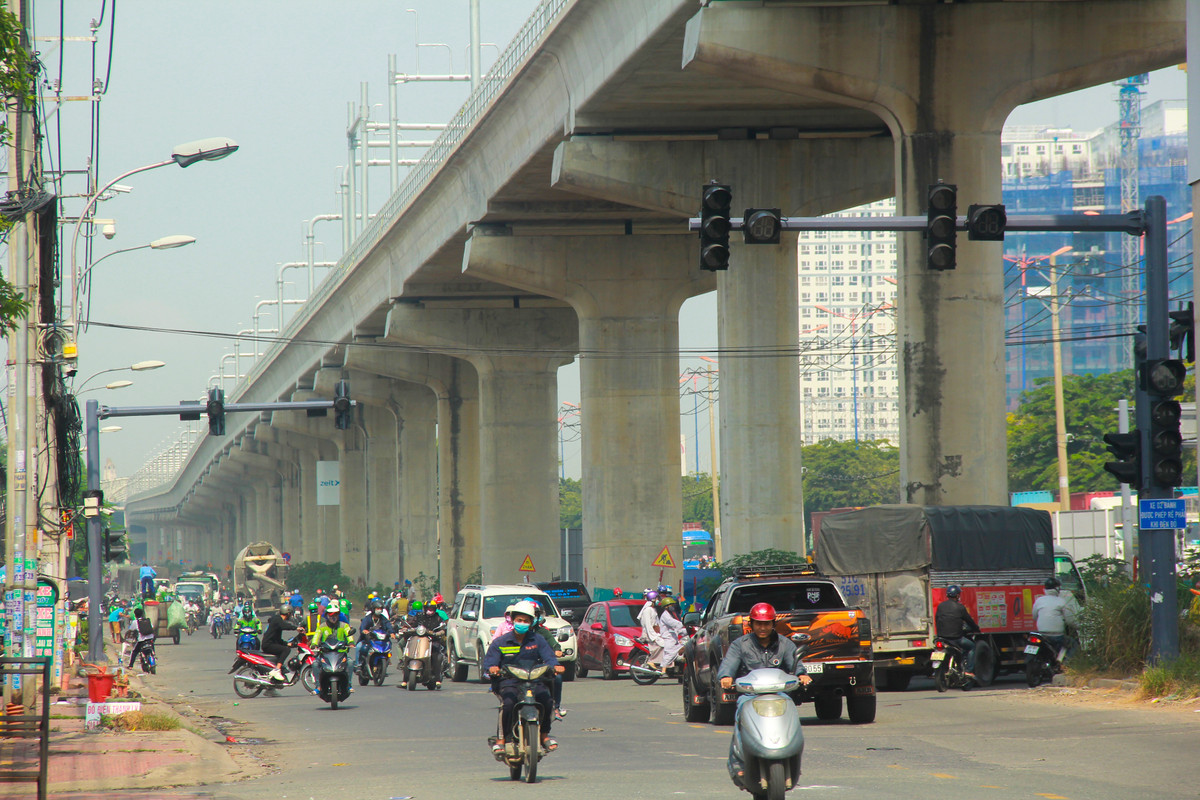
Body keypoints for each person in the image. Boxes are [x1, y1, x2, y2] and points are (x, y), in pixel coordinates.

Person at [716, 602, 811, 780]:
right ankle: (737, 762)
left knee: (793, 719)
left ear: (773, 624)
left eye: (766, 623)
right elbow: (728, 665)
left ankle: (793, 759)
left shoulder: (785, 644)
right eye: (758, 623)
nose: (762, 627)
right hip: (749, 696)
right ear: (751, 624)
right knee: (739, 719)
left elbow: (796, 665)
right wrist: (726, 677)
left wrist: (802, 675)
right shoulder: (740, 645)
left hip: (780, 694)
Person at [484, 600, 560, 755]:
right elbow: (490, 662)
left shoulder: (538, 640)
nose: (522, 623)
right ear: (513, 620)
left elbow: (549, 657)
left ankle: (544, 735)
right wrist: (493, 668)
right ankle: (501, 740)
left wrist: (555, 666)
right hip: (509, 683)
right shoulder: (501, 641)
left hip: (533, 681)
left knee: (546, 700)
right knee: (508, 704)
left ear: (531, 622)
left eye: (526, 621)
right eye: (519, 620)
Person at [934, 585, 980, 679]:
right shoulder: (960, 607)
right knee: (972, 647)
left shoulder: (941, 606)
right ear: (958, 596)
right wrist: (976, 629)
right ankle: (969, 671)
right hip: (956, 638)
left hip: (941, 638)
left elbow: (937, 619)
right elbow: (969, 620)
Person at [1031, 578, 1079, 660]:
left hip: (1042, 635)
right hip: (1057, 636)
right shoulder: (1061, 601)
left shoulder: (1039, 600)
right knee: (1073, 645)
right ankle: (1064, 664)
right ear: (1057, 589)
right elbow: (1069, 620)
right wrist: (1077, 626)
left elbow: (1035, 616)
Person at [313, 600, 355, 691]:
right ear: (327, 615)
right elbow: (317, 635)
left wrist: (351, 642)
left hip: (340, 652)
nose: (333, 617)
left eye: (335, 614)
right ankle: (318, 686)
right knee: (315, 664)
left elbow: (349, 634)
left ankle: (349, 685)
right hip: (325, 653)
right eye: (331, 615)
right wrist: (314, 644)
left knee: (350, 663)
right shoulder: (322, 626)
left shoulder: (344, 625)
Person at [261, 605, 301, 686]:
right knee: (286, 650)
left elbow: (277, 640)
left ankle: (270, 689)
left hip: (270, 644)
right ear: (288, 613)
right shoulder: (277, 620)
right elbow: (285, 626)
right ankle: (276, 670)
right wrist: (296, 628)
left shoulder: (276, 621)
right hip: (268, 645)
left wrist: (287, 643)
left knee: (285, 648)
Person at [355, 601, 393, 671]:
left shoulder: (383, 618)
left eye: (381, 608)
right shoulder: (368, 618)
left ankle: (384, 665)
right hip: (368, 639)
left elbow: (388, 625)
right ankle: (358, 665)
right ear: (373, 609)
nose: (379, 610)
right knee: (359, 647)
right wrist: (364, 630)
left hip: (380, 640)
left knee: (388, 646)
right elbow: (363, 626)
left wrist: (392, 633)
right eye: (377, 608)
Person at [657, 594, 687, 671]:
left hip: (673, 637)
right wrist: (684, 624)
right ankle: (663, 669)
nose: (673, 606)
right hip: (668, 637)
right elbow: (673, 623)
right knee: (670, 653)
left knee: (683, 647)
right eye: (671, 605)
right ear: (666, 606)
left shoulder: (671, 614)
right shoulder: (665, 615)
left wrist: (687, 631)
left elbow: (678, 629)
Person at [638, 589, 664, 669]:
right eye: (656, 598)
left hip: (653, 633)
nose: (657, 600)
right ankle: (652, 661)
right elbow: (648, 626)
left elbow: (657, 624)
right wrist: (654, 637)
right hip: (648, 635)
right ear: (652, 599)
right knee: (662, 644)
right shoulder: (647, 610)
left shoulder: (653, 610)